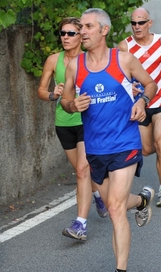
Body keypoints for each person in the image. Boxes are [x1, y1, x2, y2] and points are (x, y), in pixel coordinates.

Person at [61, 8, 157, 272]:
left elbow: (150, 83)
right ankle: (141, 201)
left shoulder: (124, 60)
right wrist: (73, 105)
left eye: (88, 27)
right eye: (81, 27)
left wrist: (143, 100)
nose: (82, 31)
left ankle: (120, 268)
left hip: (125, 143)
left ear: (104, 30)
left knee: (114, 208)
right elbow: (65, 101)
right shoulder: (75, 65)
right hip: (95, 148)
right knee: (117, 203)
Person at [37, 17, 108, 241]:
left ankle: (80, 224)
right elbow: (40, 90)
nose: (65, 37)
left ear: (81, 36)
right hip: (63, 122)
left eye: (70, 33)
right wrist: (52, 95)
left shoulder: (90, 60)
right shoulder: (53, 60)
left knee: (81, 170)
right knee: (83, 172)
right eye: (62, 33)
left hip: (86, 121)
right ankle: (98, 195)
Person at [117, 7, 161, 207]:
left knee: (160, 143)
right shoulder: (125, 46)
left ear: (149, 23)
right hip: (139, 104)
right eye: (134, 23)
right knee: (146, 149)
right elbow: (119, 75)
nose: (137, 27)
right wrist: (129, 86)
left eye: (141, 22)